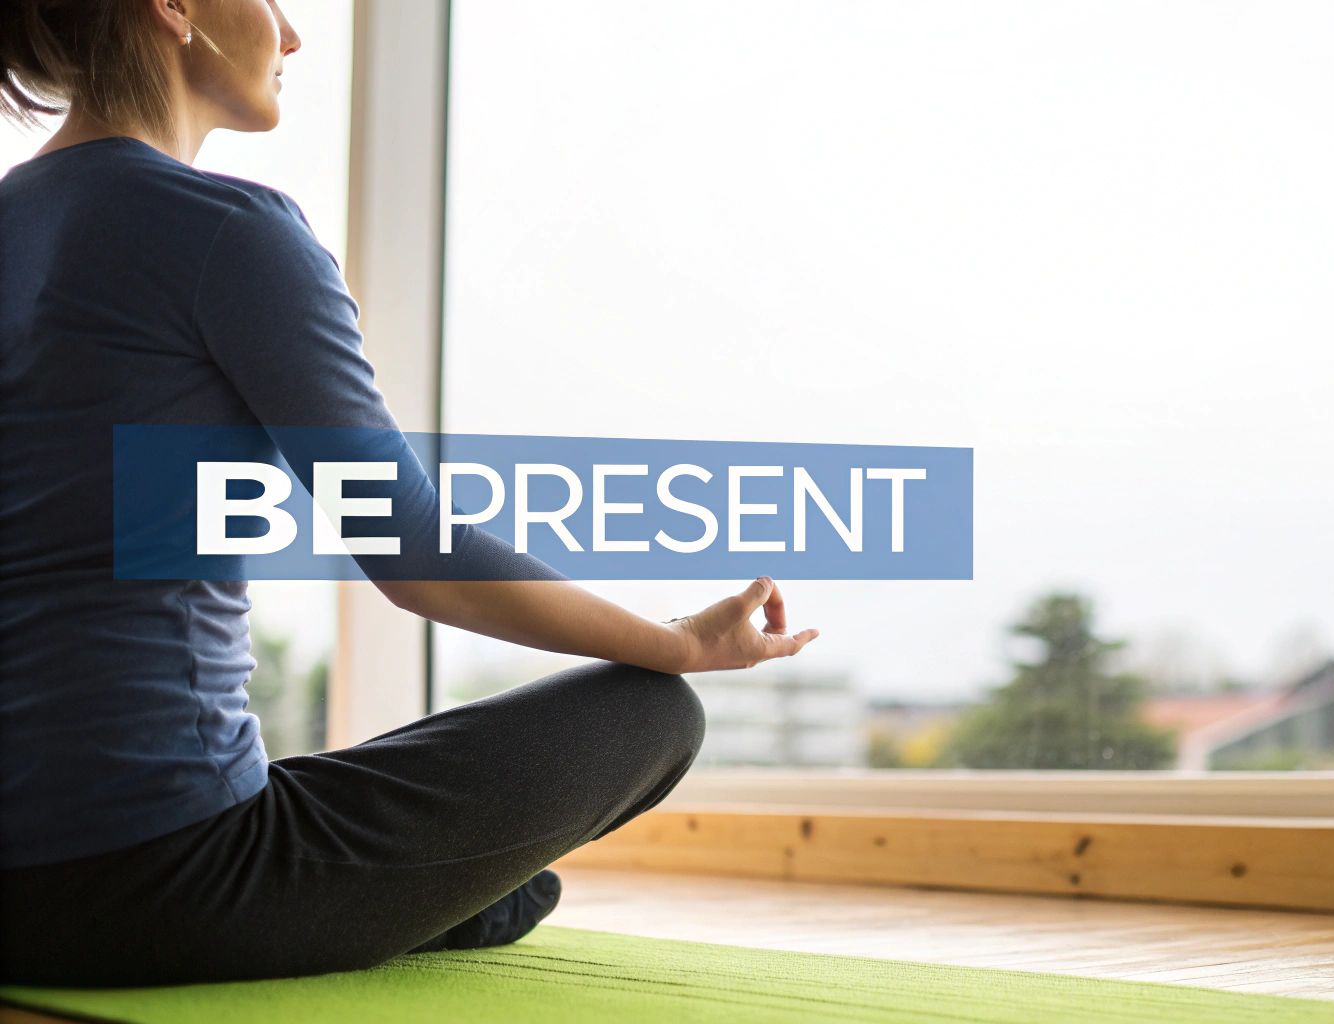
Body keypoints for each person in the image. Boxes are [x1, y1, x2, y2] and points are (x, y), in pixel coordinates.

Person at [0, 0, 820, 987]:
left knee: (347, 796)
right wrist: (685, 640)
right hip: (158, 882)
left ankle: (438, 895)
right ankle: (427, 901)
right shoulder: (229, 231)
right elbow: (420, 557)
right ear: (172, 7)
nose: (291, 35)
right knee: (651, 714)